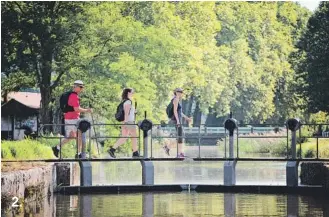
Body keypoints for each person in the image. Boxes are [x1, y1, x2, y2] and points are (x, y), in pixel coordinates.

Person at [52, 80, 92, 158]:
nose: (82, 89)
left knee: (71, 136)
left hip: (68, 118)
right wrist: (87, 110)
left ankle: (56, 148)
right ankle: (79, 153)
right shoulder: (74, 96)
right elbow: (76, 109)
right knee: (79, 135)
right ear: (76, 87)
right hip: (74, 118)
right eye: (81, 87)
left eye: (82, 87)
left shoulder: (69, 95)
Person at [108, 88, 139, 158]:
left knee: (124, 137)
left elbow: (127, 113)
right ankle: (135, 152)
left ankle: (112, 149)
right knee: (134, 136)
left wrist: (133, 112)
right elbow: (126, 114)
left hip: (126, 121)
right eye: (132, 92)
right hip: (129, 122)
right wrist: (126, 123)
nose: (133, 94)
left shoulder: (125, 101)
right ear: (128, 93)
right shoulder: (128, 102)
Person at [164, 88, 192, 158]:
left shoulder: (177, 100)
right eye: (179, 92)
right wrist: (178, 121)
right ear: (175, 92)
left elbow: (180, 112)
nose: (180, 93)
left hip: (178, 120)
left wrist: (186, 118)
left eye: (181, 92)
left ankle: (175, 150)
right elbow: (175, 111)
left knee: (180, 137)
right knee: (180, 136)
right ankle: (178, 152)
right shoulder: (175, 100)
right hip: (177, 121)